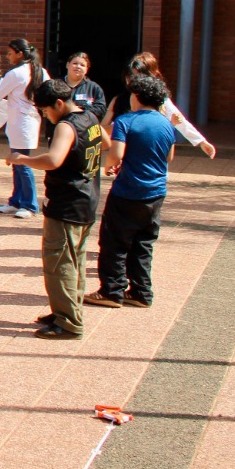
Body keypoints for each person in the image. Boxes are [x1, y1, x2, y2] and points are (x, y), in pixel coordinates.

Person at [8, 80, 103, 340]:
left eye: (45, 110)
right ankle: (65, 310)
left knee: (59, 262)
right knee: (75, 261)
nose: (44, 115)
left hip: (67, 204)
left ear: (59, 104)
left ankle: (69, 322)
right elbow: (104, 141)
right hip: (87, 199)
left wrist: (23, 159)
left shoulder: (66, 125)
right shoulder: (90, 116)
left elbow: (53, 159)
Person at [90, 74, 176, 310]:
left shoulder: (126, 121)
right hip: (156, 192)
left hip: (128, 191)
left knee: (114, 242)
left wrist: (110, 166)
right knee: (143, 243)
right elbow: (169, 156)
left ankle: (111, 290)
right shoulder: (166, 123)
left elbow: (116, 154)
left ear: (136, 97)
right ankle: (141, 292)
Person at [100, 53, 217, 160]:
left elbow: (179, 120)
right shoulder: (120, 99)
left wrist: (201, 141)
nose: (134, 80)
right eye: (131, 76)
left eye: (140, 75)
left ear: (152, 76)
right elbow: (110, 129)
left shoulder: (159, 99)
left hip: (150, 151)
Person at [0, 38, 48, 218]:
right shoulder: (41, 71)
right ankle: (16, 201)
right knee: (17, 161)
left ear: (20, 53)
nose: (8, 57)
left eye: (9, 53)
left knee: (22, 163)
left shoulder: (17, 73)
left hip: (21, 123)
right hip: (26, 121)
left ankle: (30, 205)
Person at [61, 52, 107, 120]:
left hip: (84, 127)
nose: (78, 66)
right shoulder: (56, 85)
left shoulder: (94, 88)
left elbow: (101, 110)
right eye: (75, 63)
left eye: (82, 65)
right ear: (67, 65)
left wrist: (80, 109)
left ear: (87, 69)